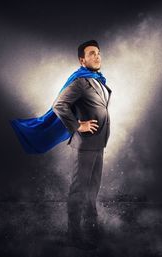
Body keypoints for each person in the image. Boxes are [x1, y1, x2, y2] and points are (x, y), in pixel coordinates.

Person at [52, 40, 112, 249]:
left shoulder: (97, 80)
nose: (97, 56)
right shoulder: (79, 82)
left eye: (98, 53)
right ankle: (74, 236)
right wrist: (78, 125)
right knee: (79, 190)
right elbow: (59, 104)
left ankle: (91, 230)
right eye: (92, 53)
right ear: (82, 60)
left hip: (98, 143)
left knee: (92, 191)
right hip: (84, 144)